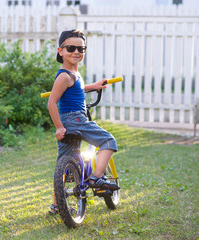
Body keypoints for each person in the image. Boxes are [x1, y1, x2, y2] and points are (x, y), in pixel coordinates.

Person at [48, 29, 120, 214]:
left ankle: (57, 205)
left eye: (81, 48)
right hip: (75, 119)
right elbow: (51, 103)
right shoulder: (64, 75)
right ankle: (96, 178)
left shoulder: (73, 74)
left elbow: (77, 89)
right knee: (108, 141)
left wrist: (93, 86)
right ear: (60, 51)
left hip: (69, 121)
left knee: (64, 165)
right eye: (71, 47)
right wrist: (58, 128)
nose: (76, 51)